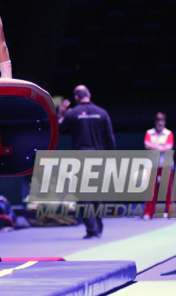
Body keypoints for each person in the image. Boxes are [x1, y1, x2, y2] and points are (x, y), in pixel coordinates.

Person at [58, 85, 116, 239]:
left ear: (76, 98)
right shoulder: (102, 113)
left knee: (84, 196)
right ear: (89, 94)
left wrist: (60, 114)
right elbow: (110, 139)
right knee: (96, 195)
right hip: (99, 159)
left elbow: (58, 129)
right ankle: (98, 227)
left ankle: (92, 229)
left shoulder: (73, 113)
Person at [143, 111, 175, 219]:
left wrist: (155, 147)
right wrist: (160, 148)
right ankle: (148, 212)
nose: (160, 123)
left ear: (164, 122)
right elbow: (147, 145)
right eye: (158, 121)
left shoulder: (168, 133)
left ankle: (170, 212)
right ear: (155, 122)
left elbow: (168, 147)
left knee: (167, 190)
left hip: (166, 164)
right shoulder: (149, 133)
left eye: (162, 121)